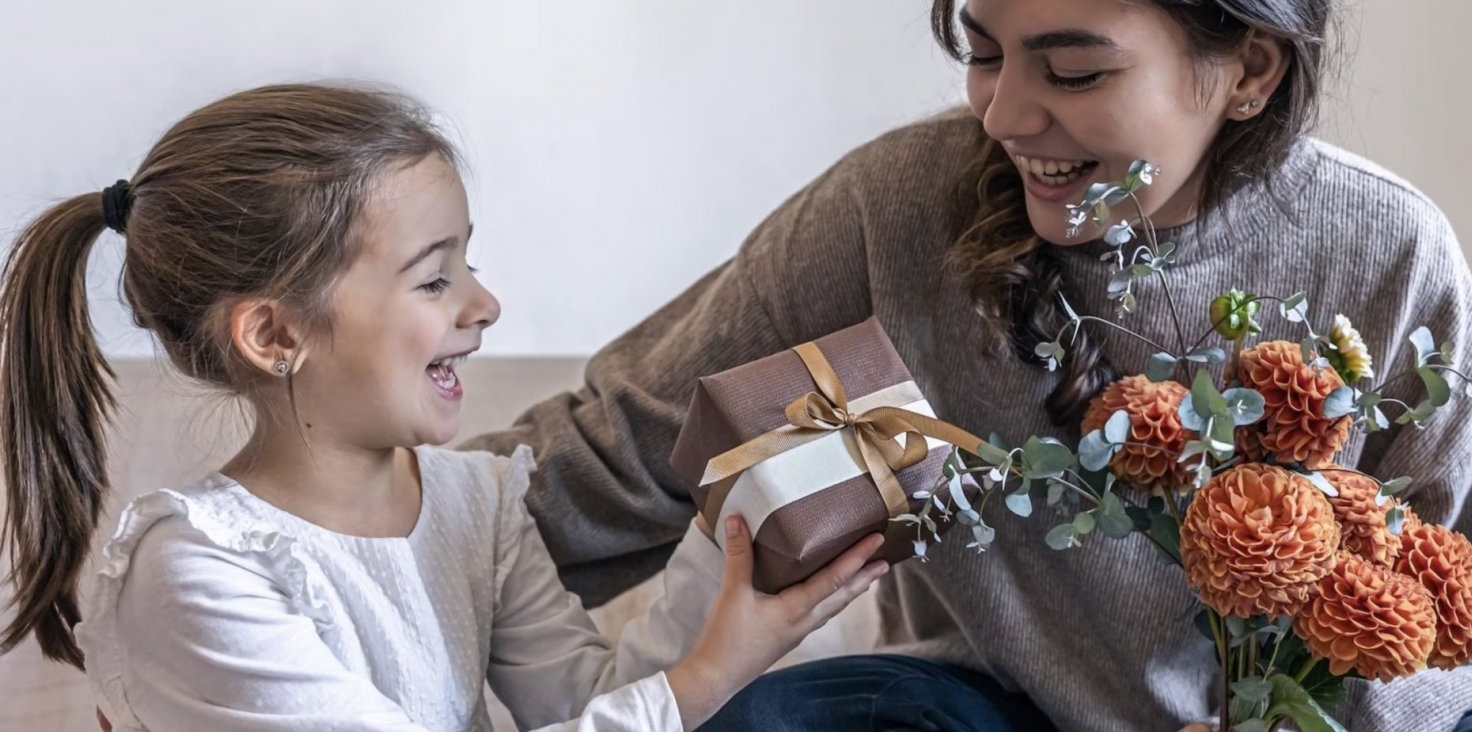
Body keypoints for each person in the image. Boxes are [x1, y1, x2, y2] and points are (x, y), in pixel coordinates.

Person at [465, 0, 1472, 729]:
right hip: (986, 710)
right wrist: (330, 510)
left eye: (1073, 68)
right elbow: (613, 451)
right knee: (794, 714)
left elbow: (1469, 624)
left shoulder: (1386, 250)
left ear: (1247, 66)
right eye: (983, 52)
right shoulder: (892, 208)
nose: (1005, 115)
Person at [0, 83, 885, 731]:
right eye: (434, 278)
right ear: (273, 336)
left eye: (469, 263)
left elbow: (587, 708)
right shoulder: (198, 574)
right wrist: (703, 679)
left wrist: (731, 551)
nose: (483, 304)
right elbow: (663, 706)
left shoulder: (475, 502)